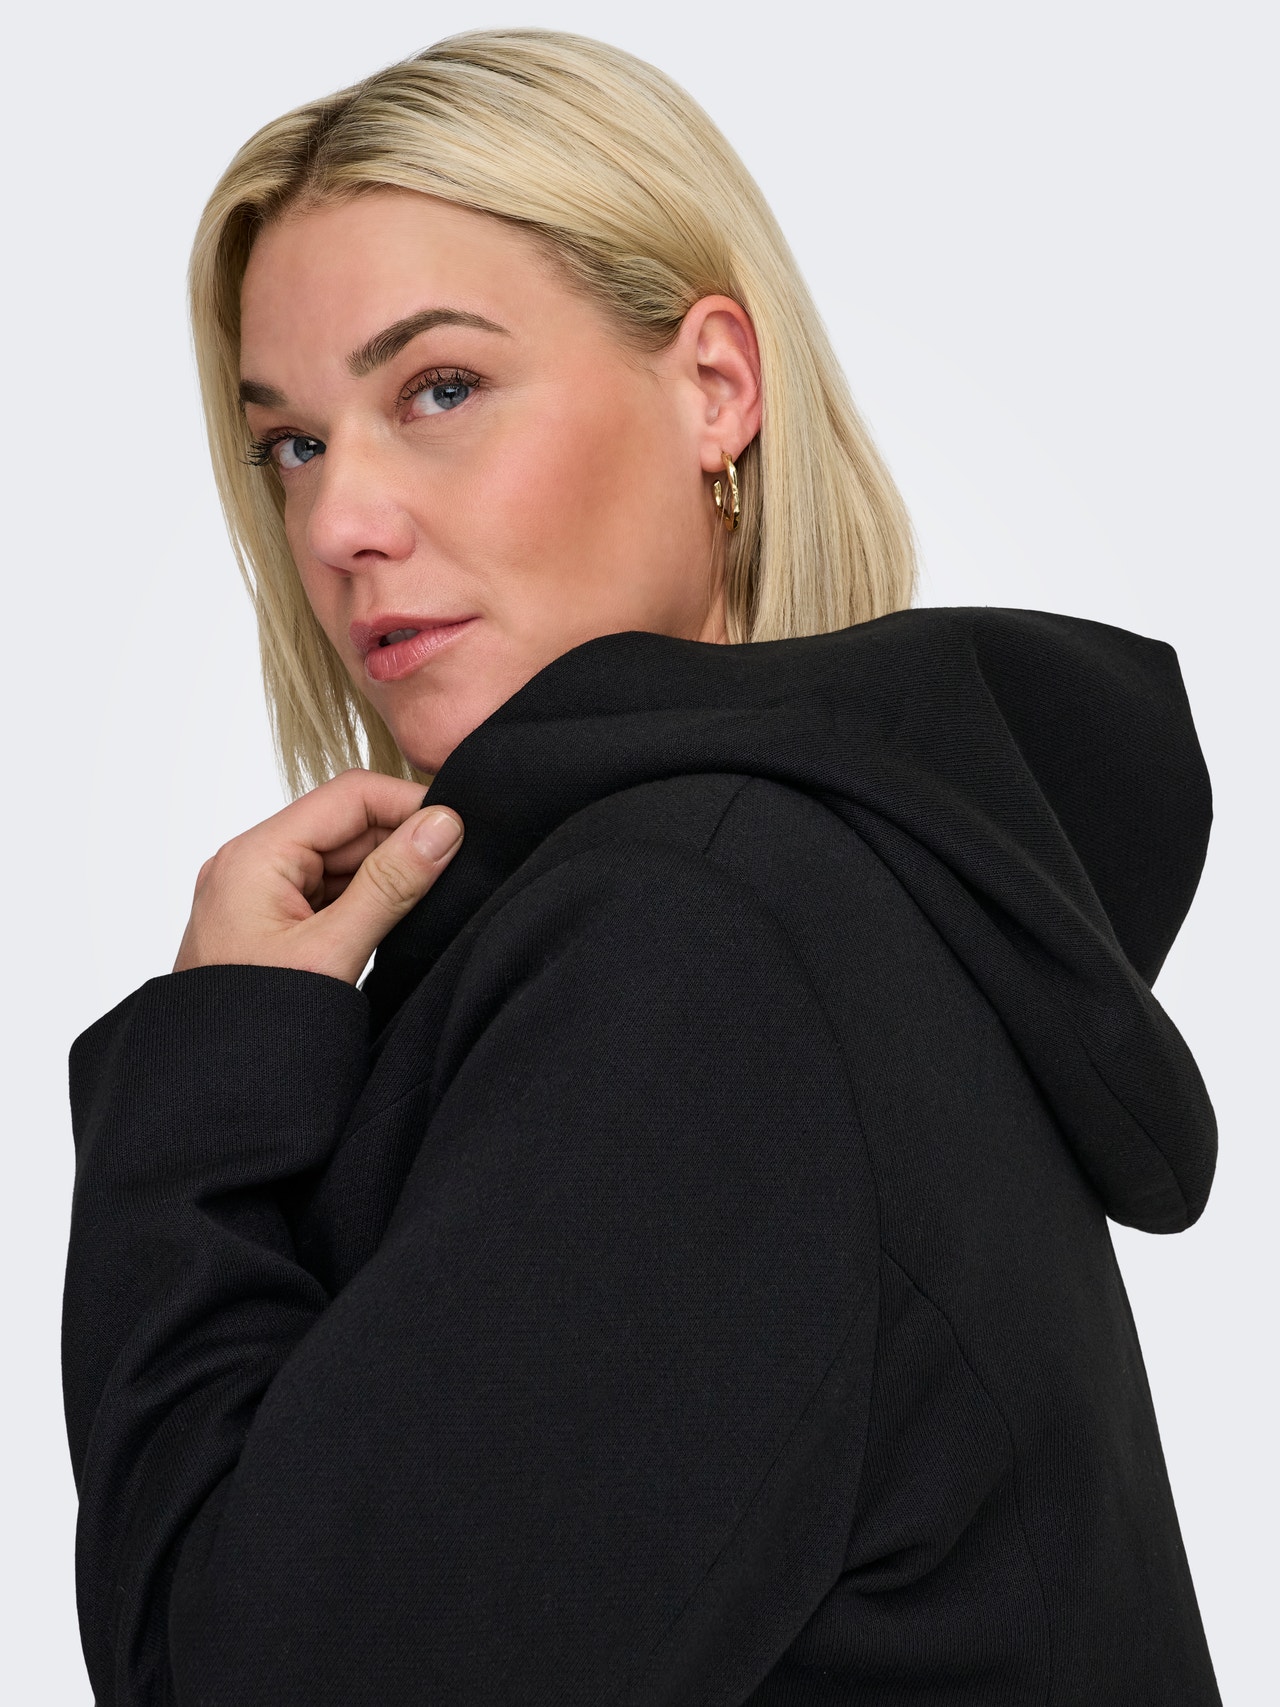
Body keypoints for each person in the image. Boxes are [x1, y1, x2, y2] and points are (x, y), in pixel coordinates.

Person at [60, 27, 1223, 1706]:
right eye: (291, 444)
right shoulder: (786, 902)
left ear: (715, 390)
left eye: (439, 390)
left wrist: (207, 1093)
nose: (337, 524)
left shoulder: (704, 946)